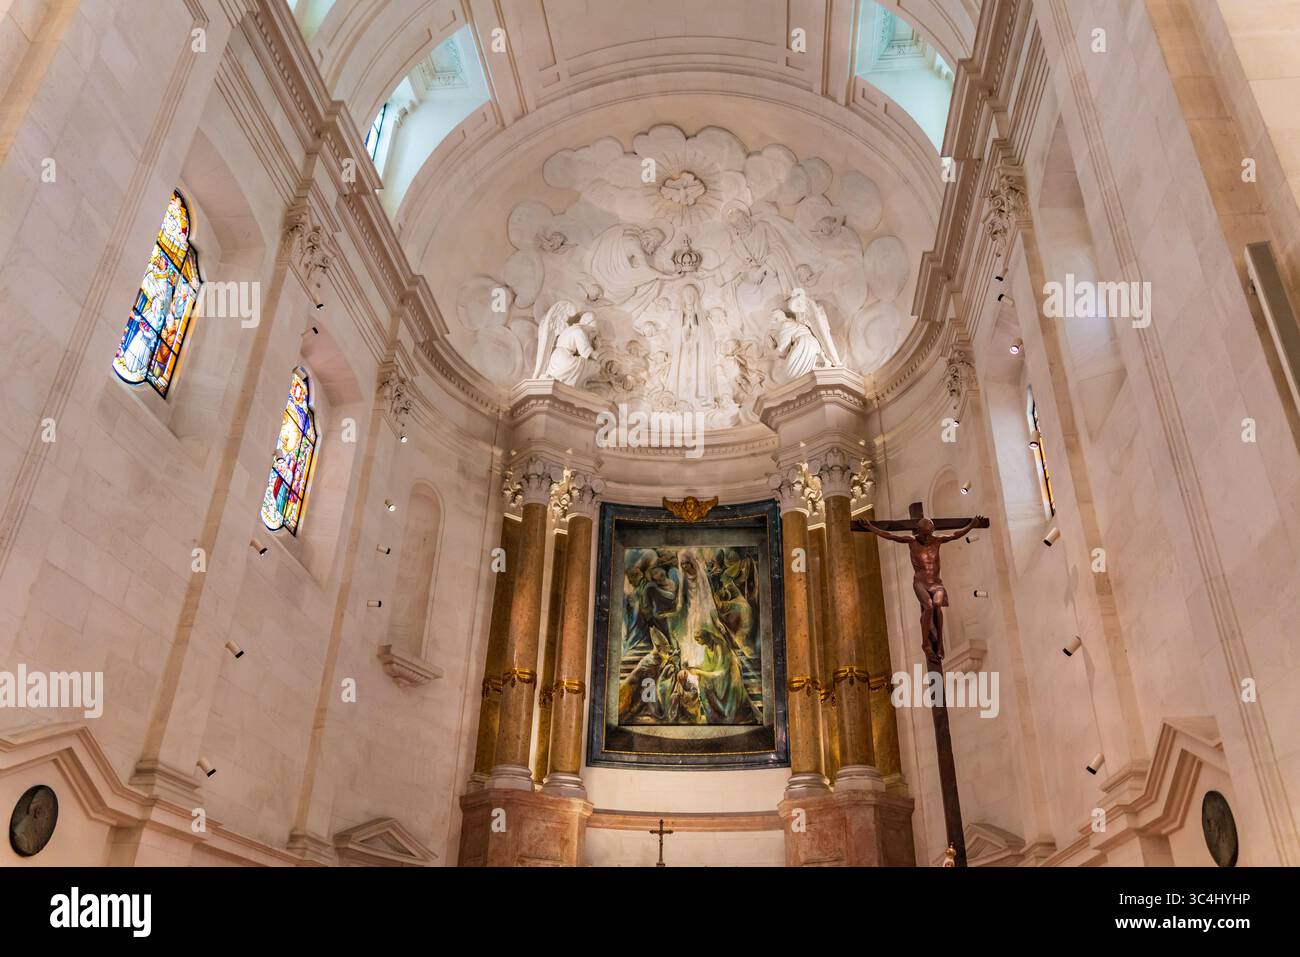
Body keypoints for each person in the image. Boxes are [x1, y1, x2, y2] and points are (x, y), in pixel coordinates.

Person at [857, 514, 985, 660]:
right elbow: (890, 535)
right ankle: (925, 644)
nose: (927, 536)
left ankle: (940, 644)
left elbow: (955, 535)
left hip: (936, 583)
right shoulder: (911, 541)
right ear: (918, 531)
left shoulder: (938, 540)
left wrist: (972, 525)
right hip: (920, 582)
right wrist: (871, 527)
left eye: (929, 532)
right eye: (924, 533)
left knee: (937, 605)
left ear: (932, 530)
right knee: (929, 606)